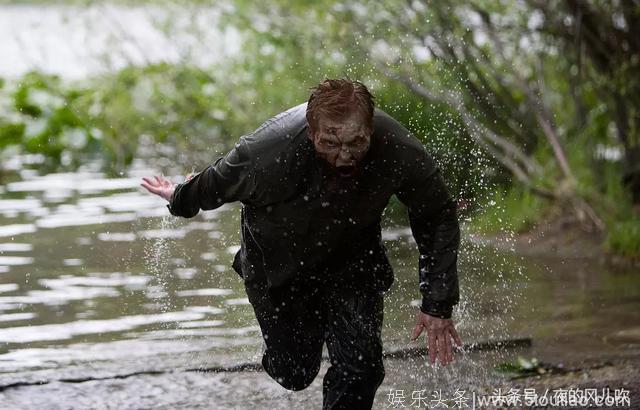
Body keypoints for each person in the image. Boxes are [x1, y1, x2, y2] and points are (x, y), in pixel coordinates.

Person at [141, 79, 462, 409]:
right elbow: (212, 185)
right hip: (277, 267)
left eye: (357, 142)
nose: (345, 155)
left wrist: (437, 303)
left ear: (370, 130)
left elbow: (437, 215)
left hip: (354, 263)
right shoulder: (265, 152)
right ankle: (300, 337)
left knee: (361, 369)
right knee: (294, 373)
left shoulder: (396, 147)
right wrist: (179, 197)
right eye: (331, 143)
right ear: (311, 133)